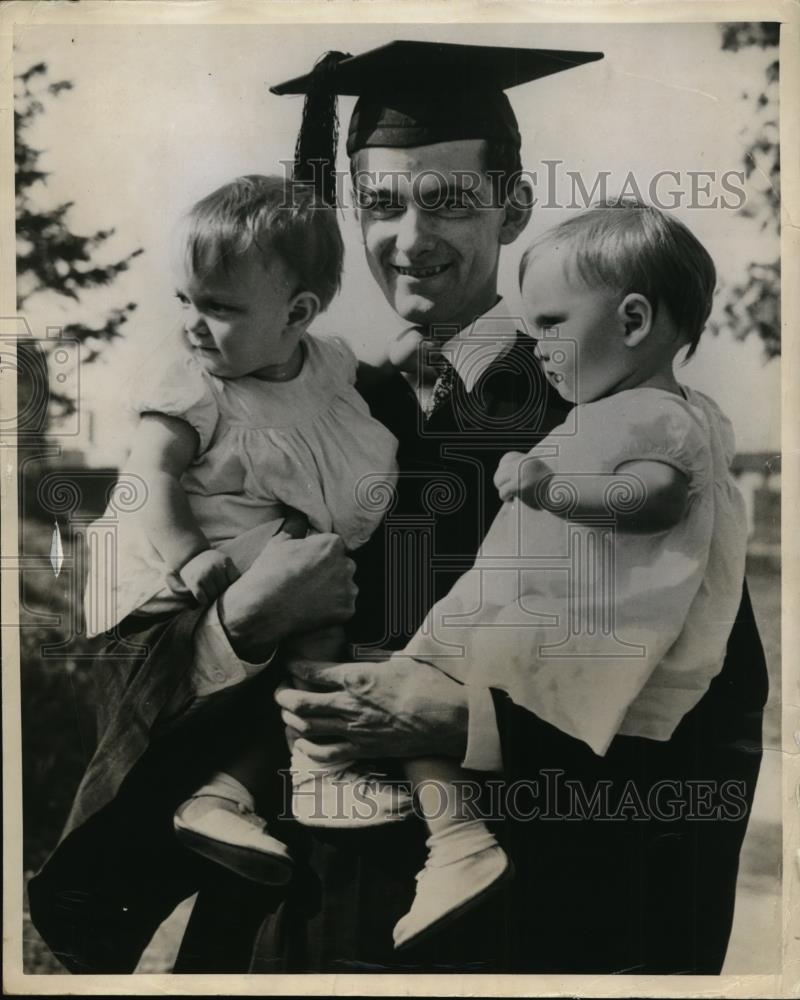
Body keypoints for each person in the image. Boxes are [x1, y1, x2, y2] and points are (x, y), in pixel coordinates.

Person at [27, 40, 767, 976]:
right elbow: (123, 643)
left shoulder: (609, 425)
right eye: (380, 203)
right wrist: (240, 622)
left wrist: (470, 726)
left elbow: (712, 705)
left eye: (450, 200)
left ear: (515, 206)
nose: (410, 239)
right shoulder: (298, 409)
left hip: (498, 929)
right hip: (279, 924)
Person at [390, 201, 750, 948]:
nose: (539, 346)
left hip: (583, 620)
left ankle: (456, 838)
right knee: (417, 678)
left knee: (420, 681)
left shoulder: (657, 416)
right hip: (564, 606)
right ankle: (452, 836)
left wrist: (555, 489)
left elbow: (656, 496)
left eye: (551, 323)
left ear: (633, 321)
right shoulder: (639, 405)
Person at [83, 172, 411, 887]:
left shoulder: (327, 369)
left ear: (298, 313)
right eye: (186, 301)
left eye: (219, 307)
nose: (193, 323)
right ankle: (302, 775)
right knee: (306, 616)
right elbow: (152, 476)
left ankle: (246, 789)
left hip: (263, 555)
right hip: (183, 567)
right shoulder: (192, 381)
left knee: (322, 626)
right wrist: (190, 555)